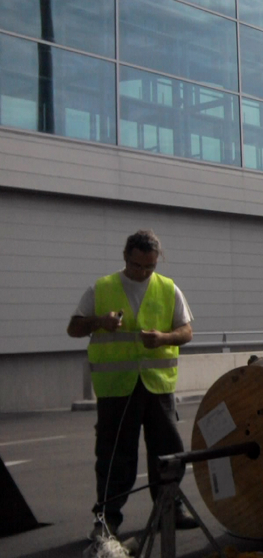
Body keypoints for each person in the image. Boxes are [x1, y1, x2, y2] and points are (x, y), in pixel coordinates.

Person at [67, 230, 199, 539]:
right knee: (114, 455)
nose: (142, 272)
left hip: (157, 386)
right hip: (116, 387)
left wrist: (164, 338)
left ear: (157, 260)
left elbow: (187, 331)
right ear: (125, 256)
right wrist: (100, 321)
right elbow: (73, 328)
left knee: (167, 452)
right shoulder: (102, 288)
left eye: (149, 266)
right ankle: (107, 519)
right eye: (137, 265)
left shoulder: (168, 288)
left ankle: (170, 509)